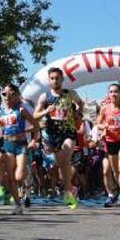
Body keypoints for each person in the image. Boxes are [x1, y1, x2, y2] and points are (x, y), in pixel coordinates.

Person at [33, 67, 83, 209]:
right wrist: (46, 111)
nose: (55, 80)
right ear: (49, 80)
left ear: (62, 79)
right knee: (60, 164)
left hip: (68, 132)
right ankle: (70, 189)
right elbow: (35, 116)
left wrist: (78, 113)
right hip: (52, 134)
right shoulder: (45, 97)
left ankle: (67, 192)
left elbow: (81, 103)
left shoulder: (70, 94)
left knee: (66, 156)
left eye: (57, 78)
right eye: (52, 78)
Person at [0, 84, 38, 215]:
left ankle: (27, 179)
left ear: (17, 95)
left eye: (10, 94)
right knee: (10, 177)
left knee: (19, 175)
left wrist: (33, 140)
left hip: (21, 144)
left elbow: (36, 125)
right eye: (4, 94)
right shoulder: (0, 113)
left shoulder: (21, 109)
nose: (6, 97)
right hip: (7, 146)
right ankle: (18, 205)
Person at [95, 83, 120, 207]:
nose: (113, 94)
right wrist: (104, 126)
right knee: (116, 170)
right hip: (111, 141)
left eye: (116, 91)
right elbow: (98, 123)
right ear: (109, 94)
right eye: (111, 92)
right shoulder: (105, 108)